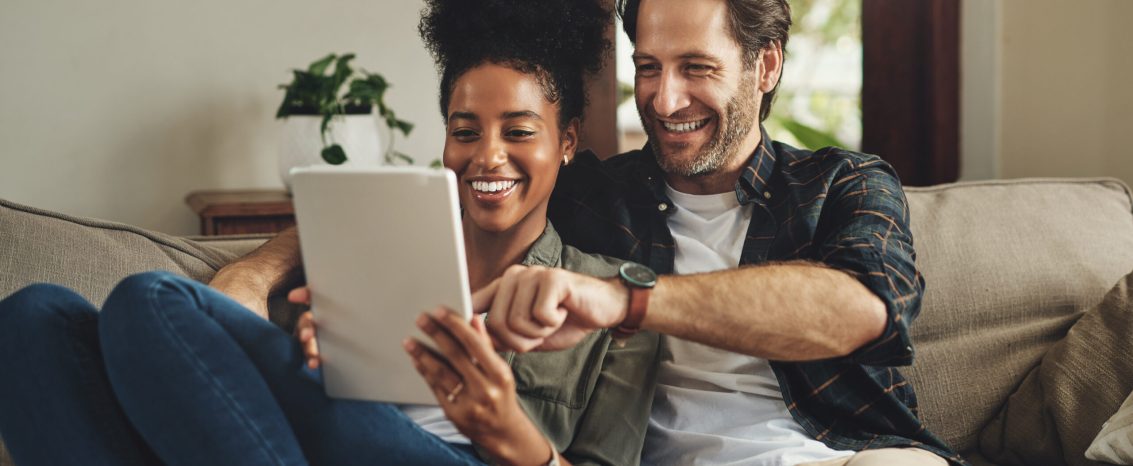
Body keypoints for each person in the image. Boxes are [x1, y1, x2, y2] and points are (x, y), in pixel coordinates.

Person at [209, 0, 963, 465]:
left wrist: (623, 300)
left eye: (695, 67)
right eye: (647, 68)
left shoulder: (843, 184)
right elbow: (423, 200)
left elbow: (860, 310)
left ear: (763, 66)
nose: (665, 100)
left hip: (844, 457)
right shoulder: (597, 192)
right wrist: (253, 276)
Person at [0, 1, 660, 465]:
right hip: (315, 443)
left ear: (566, 142)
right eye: (464, 131)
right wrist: (310, 350)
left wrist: (505, 426)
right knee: (30, 316)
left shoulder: (603, 301)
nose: (487, 156)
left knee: (150, 300)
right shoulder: (370, 245)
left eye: (518, 131)